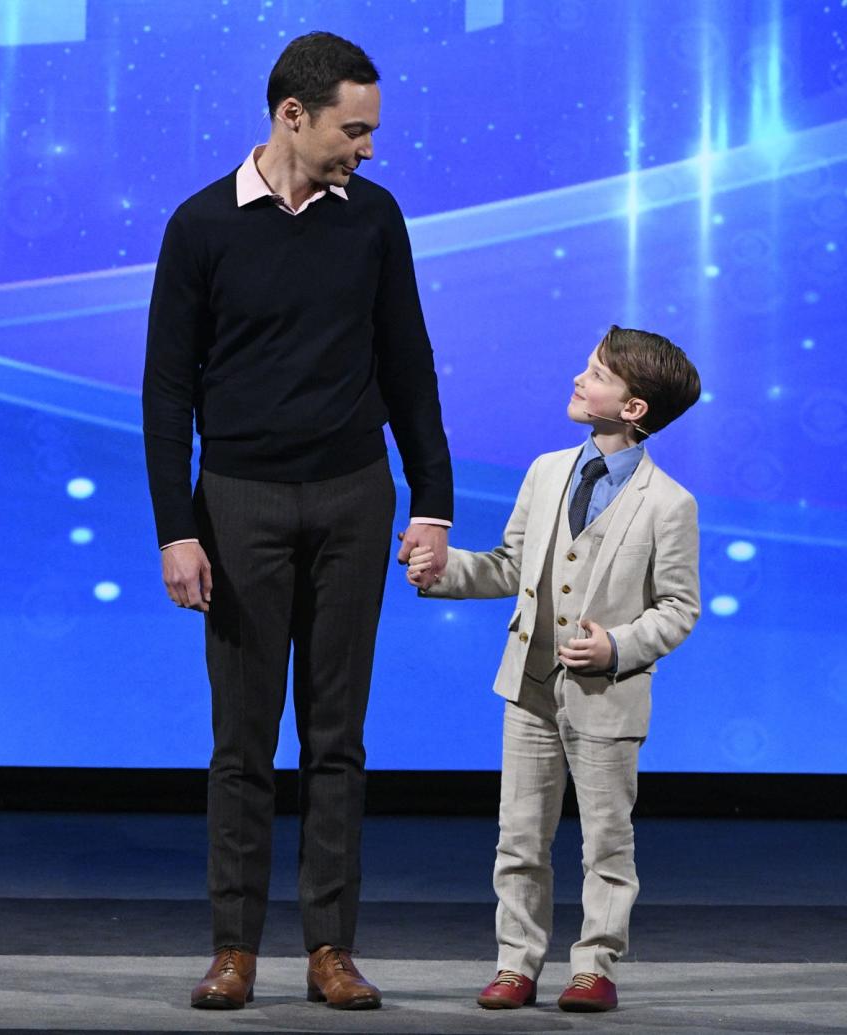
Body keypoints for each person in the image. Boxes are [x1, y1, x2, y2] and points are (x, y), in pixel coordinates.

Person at [142, 32, 452, 1011]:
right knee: (242, 743)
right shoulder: (201, 225)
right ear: (293, 116)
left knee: (337, 739)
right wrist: (175, 528)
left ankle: (331, 950)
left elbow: (409, 366)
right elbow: (165, 392)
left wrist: (434, 502)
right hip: (240, 504)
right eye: (353, 130)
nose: (366, 149)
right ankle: (234, 949)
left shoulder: (375, 219)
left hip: (356, 498)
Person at [407, 325, 701, 1012]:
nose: (579, 378)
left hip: (608, 697)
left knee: (605, 841)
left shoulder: (669, 503)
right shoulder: (545, 472)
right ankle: (517, 962)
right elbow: (511, 566)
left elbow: (679, 607)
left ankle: (595, 964)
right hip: (531, 687)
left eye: (597, 373)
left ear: (634, 408)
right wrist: (444, 570)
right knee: (519, 835)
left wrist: (619, 645)